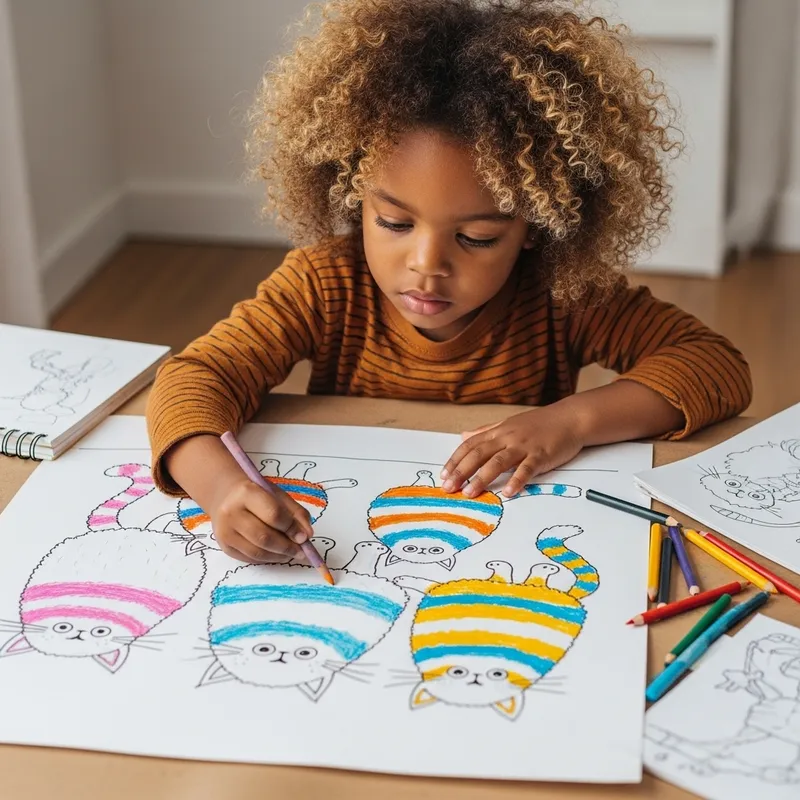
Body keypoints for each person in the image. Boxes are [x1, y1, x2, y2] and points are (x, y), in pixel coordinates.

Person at [145, 0, 752, 566]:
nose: (426, 263)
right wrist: (221, 489)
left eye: (478, 237)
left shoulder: (559, 298)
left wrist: (568, 423)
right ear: (353, 196)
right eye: (393, 222)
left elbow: (712, 365)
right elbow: (196, 378)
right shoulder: (324, 284)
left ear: (536, 229)